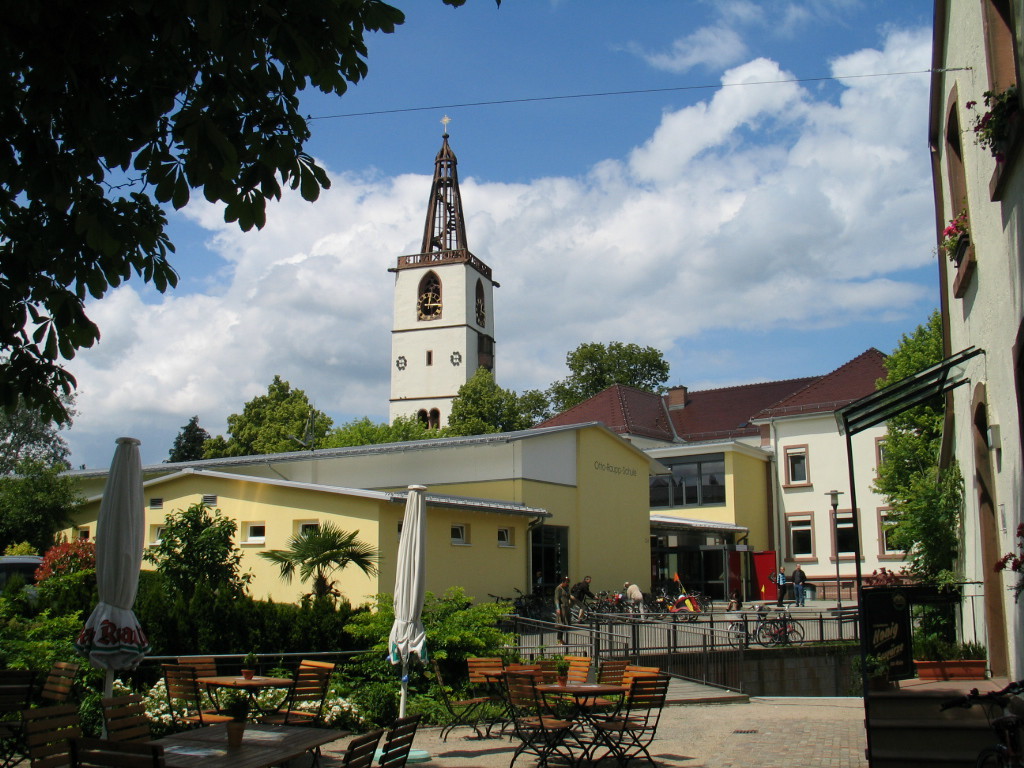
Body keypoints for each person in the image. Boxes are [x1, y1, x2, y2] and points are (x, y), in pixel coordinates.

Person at [554, 575, 572, 644]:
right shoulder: (558, 588)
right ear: (563, 582)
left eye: (568, 582)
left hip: (566, 607)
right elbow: (556, 599)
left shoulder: (566, 588)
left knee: (565, 624)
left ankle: (561, 639)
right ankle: (559, 639)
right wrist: (558, 608)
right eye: (566, 582)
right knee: (560, 624)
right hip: (562, 608)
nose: (567, 583)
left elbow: (569, 596)